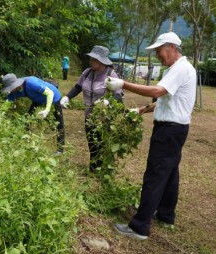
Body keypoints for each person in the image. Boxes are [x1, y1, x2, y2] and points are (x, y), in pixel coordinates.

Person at [105, 32, 197, 240]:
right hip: (177, 130)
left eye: (159, 51)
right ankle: (165, 214)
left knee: (155, 174)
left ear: (172, 47)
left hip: (169, 131)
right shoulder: (180, 68)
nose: (157, 56)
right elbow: (165, 100)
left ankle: (139, 227)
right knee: (170, 173)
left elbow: (156, 91)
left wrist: (123, 84)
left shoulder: (180, 69)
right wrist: (141, 111)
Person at [60, 45, 123, 173]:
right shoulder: (87, 72)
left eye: (94, 59)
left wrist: (107, 102)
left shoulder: (111, 74)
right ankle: (93, 168)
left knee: (104, 143)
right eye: (91, 59)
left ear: (102, 61)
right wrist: (67, 97)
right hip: (89, 116)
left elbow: (119, 96)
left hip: (104, 119)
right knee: (92, 143)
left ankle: (106, 170)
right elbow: (78, 87)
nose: (91, 62)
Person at [2, 73, 65, 154]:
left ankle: (60, 150)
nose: (10, 90)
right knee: (27, 120)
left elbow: (50, 93)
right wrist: (0, 115)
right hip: (37, 99)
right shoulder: (14, 91)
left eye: (11, 88)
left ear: (16, 84)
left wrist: (47, 110)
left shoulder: (31, 83)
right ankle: (27, 141)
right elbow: (7, 103)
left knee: (59, 124)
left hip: (53, 98)